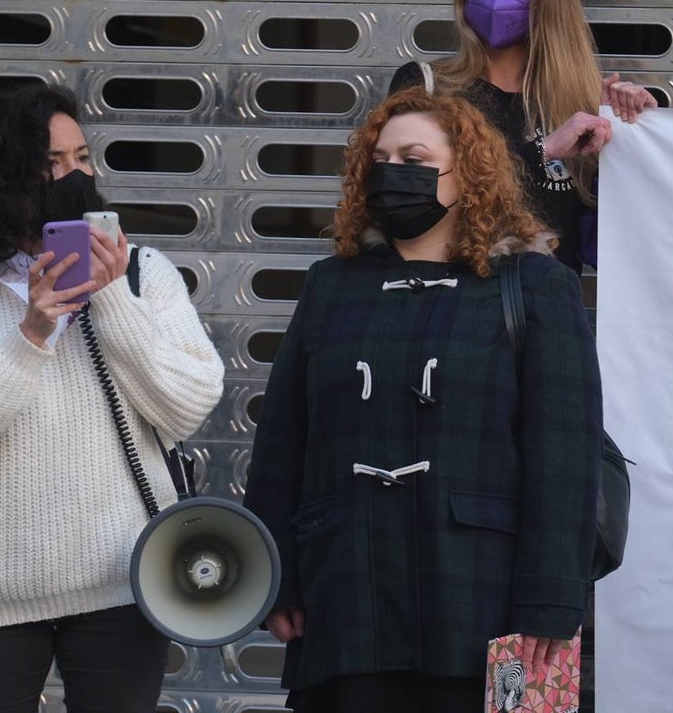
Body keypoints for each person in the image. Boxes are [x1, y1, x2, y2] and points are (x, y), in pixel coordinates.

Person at [242, 87, 603, 713]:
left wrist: (551, 601)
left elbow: (564, 457)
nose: (391, 174)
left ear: (467, 170)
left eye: (413, 158)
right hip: (346, 589)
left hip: (485, 598)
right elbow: (282, 442)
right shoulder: (332, 285)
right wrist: (279, 578)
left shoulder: (536, 285)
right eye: (379, 160)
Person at [0, 83, 225, 713]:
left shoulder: (142, 273)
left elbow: (188, 404)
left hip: (125, 583)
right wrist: (30, 335)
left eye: (81, 158)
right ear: (6, 179)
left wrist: (106, 296)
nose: (75, 176)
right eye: (53, 164)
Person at [390, 0, 657, 274]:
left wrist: (634, 133)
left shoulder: (581, 108)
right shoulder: (427, 86)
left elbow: (619, 241)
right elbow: (404, 208)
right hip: (452, 309)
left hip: (549, 316)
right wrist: (544, 151)